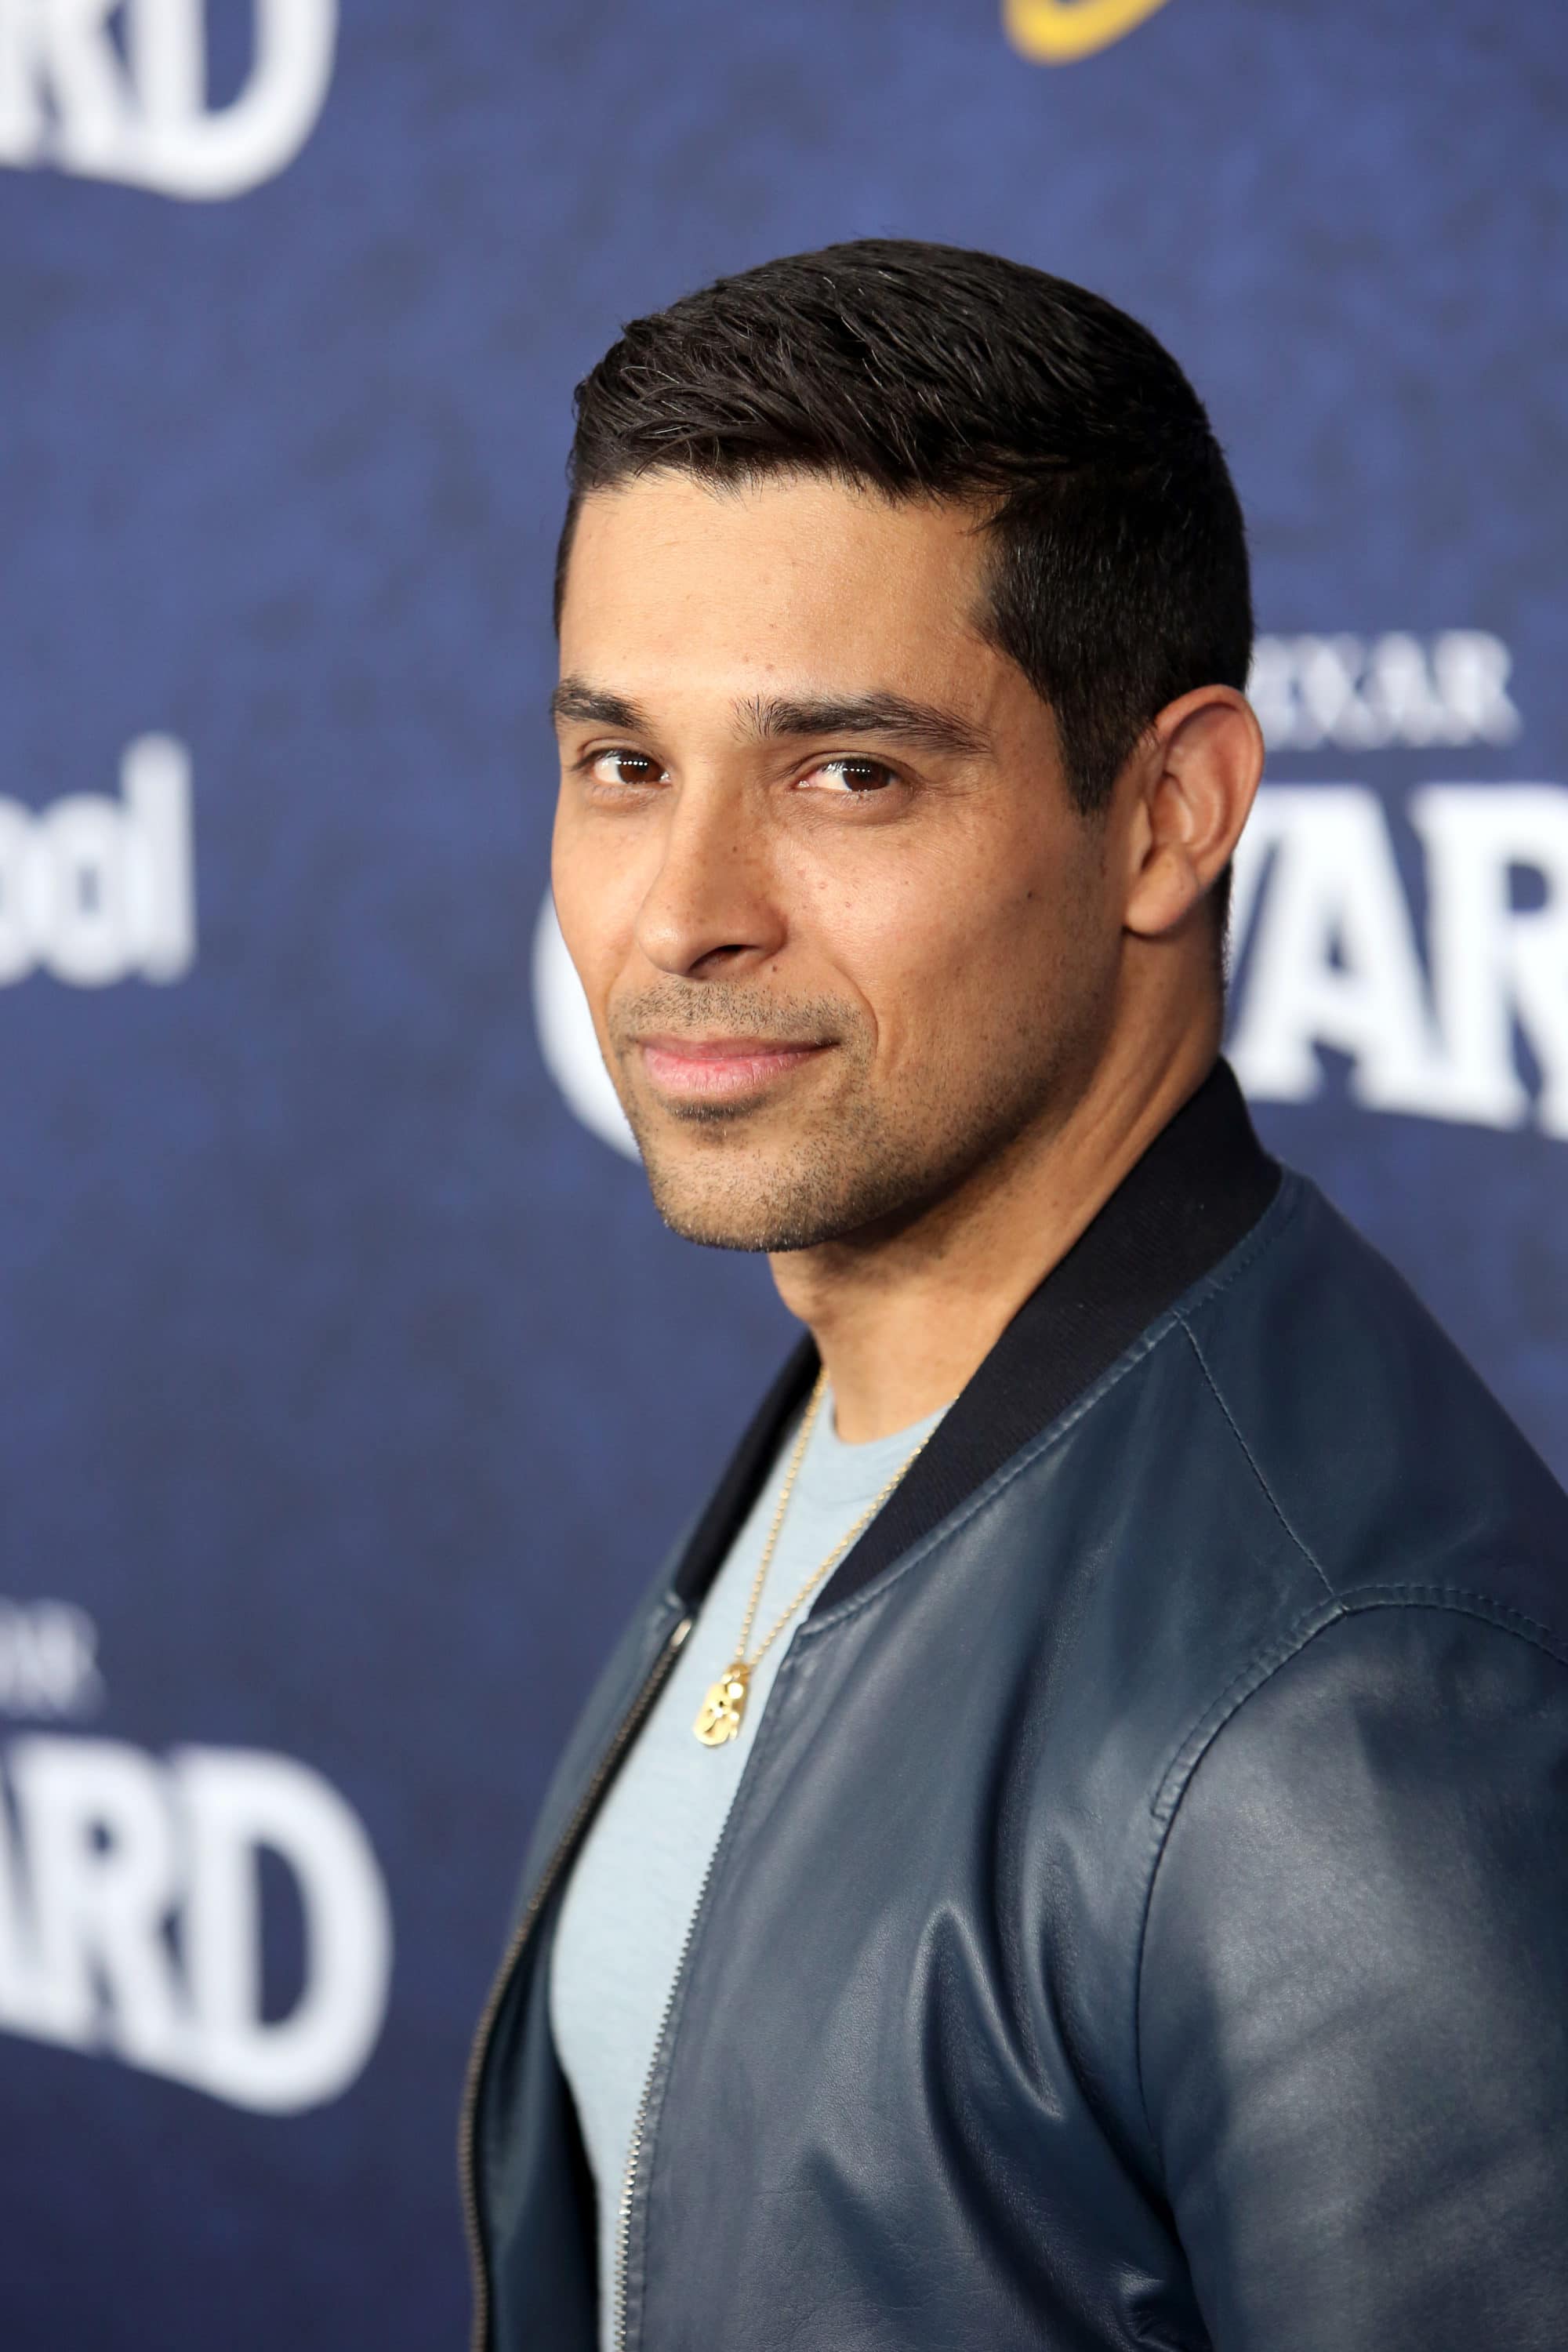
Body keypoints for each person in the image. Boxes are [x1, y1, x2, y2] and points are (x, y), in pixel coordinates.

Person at [460, 241, 1568, 2352]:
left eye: (846, 773)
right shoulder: (870, 1401)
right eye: (624, 765)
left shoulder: (1352, 1718)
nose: (683, 916)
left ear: (1170, 815)